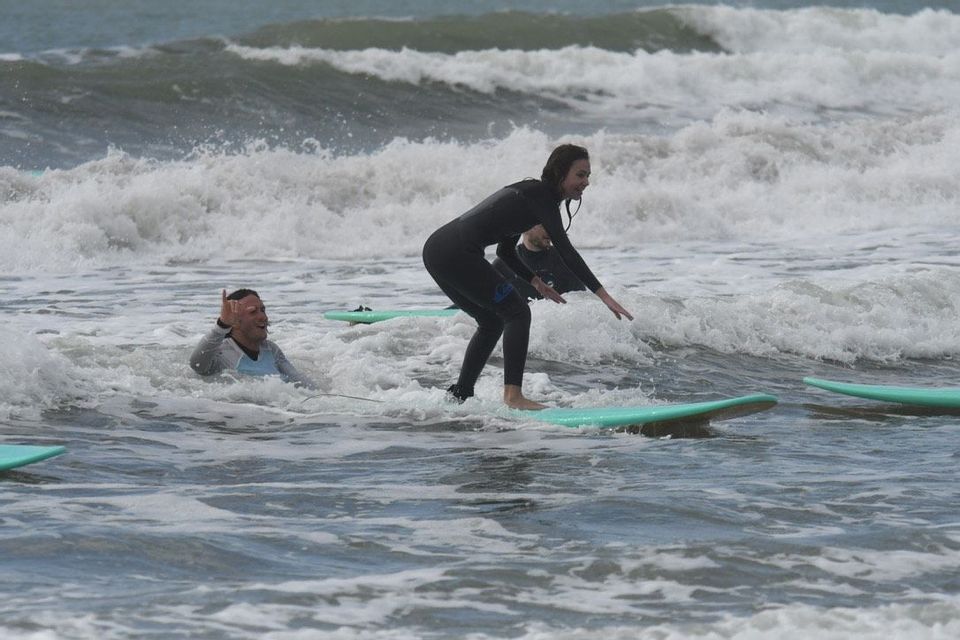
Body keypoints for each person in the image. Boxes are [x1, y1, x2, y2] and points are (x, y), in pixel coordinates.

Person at [422, 144, 633, 410]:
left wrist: (535, 282)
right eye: (580, 175)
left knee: (490, 322)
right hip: (456, 252)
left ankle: (460, 395)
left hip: (437, 250)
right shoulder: (541, 197)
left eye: (588, 176)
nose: (586, 182)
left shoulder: (530, 195)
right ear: (560, 173)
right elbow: (566, 251)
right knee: (518, 313)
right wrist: (604, 295)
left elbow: (505, 250)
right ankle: (514, 397)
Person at [190, 288, 316, 388]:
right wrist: (222, 326)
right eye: (253, 312)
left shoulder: (271, 349)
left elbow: (301, 383)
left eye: (263, 310)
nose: (263, 317)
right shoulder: (221, 353)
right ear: (235, 321)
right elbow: (197, 365)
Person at [492, 224, 586, 300]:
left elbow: (581, 303)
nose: (550, 231)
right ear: (525, 228)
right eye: (543, 225)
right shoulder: (502, 265)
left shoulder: (565, 261)